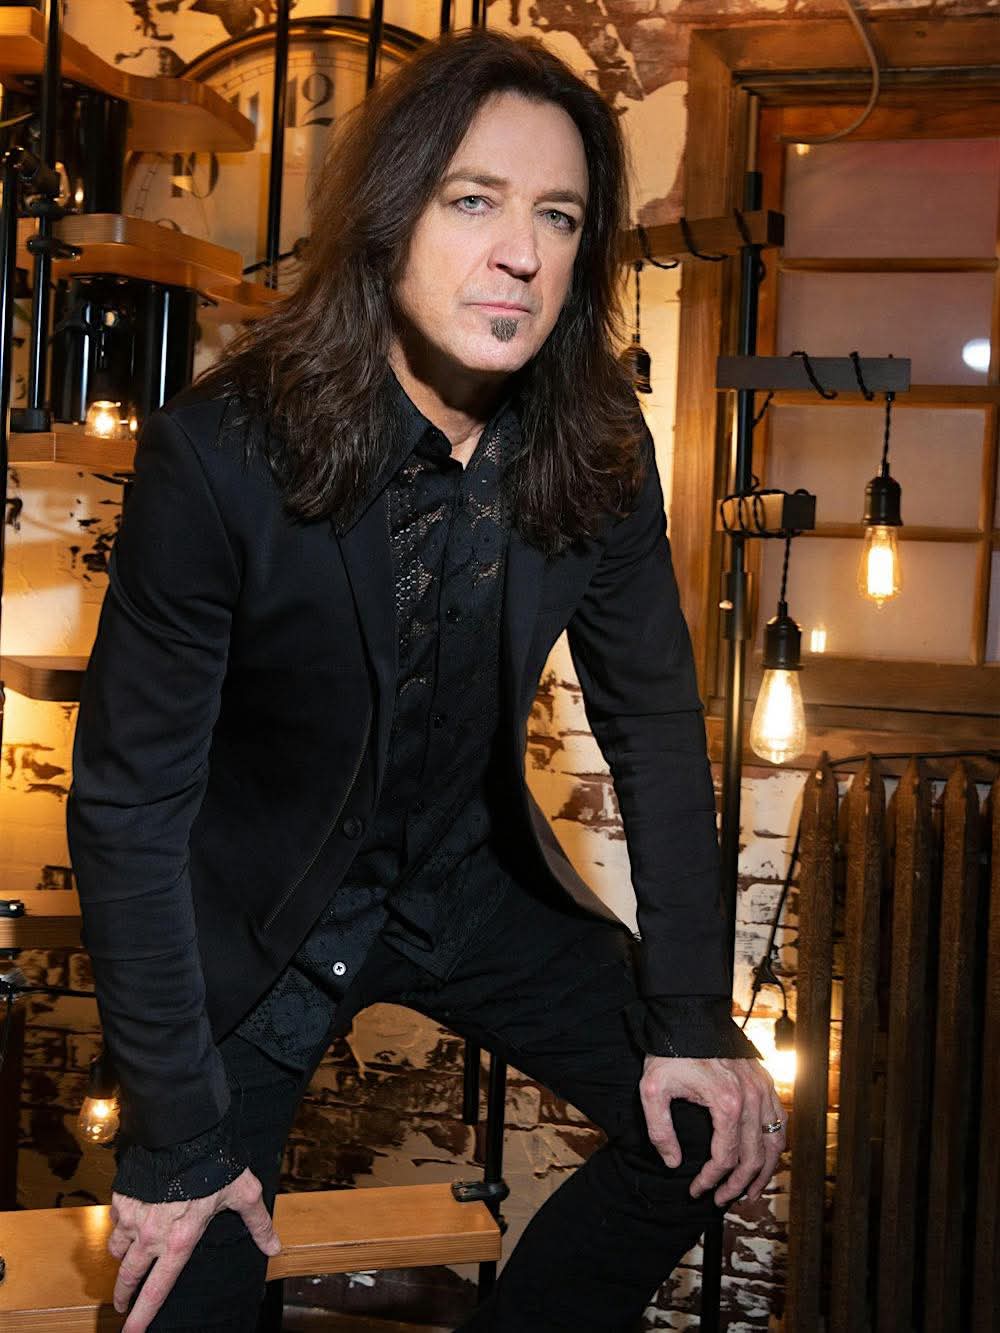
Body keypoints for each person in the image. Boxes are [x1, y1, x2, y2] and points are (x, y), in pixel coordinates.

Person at [66, 28, 784, 1333]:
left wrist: (692, 1014)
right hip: (264, 914)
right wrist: (171, 1129)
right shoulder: (217, 454)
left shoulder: (598, 444)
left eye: (558, 215)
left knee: (707, 1130)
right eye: (473, 200)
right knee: (188, 1288)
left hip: (469, 883)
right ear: (390, 216)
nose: (523, 252)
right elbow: (129, 808)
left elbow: (656, 727)